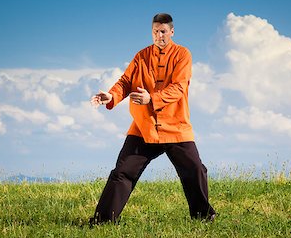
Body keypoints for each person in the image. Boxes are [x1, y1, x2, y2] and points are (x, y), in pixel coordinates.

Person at [89, 13, 216, 225]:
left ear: (172, 31)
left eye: (163, 31)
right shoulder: (141, 56)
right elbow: (125, 82)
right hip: (144, 127)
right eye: (155, 31)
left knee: (195, 170)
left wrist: (151, 98)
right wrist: (111, 96)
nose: (159, 36)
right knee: (122, 173)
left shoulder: (183, 54)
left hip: (175, 126)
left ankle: (203, 217)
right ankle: (103, 222)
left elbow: (179, 87)